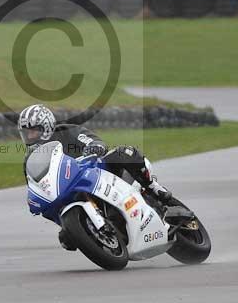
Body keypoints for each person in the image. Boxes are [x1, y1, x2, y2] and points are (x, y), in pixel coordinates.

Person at [18, 104, 180, 250]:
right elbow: (36, 184)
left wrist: (94, 148)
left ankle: (153, 187)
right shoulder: (30, 160)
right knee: (66, 239)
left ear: (46, 126)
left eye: (33, 131)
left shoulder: (66, 131)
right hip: (68, 190)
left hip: (95, 170)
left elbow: (93, 140)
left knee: (124, 153)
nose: (29, 136)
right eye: (25, 133)